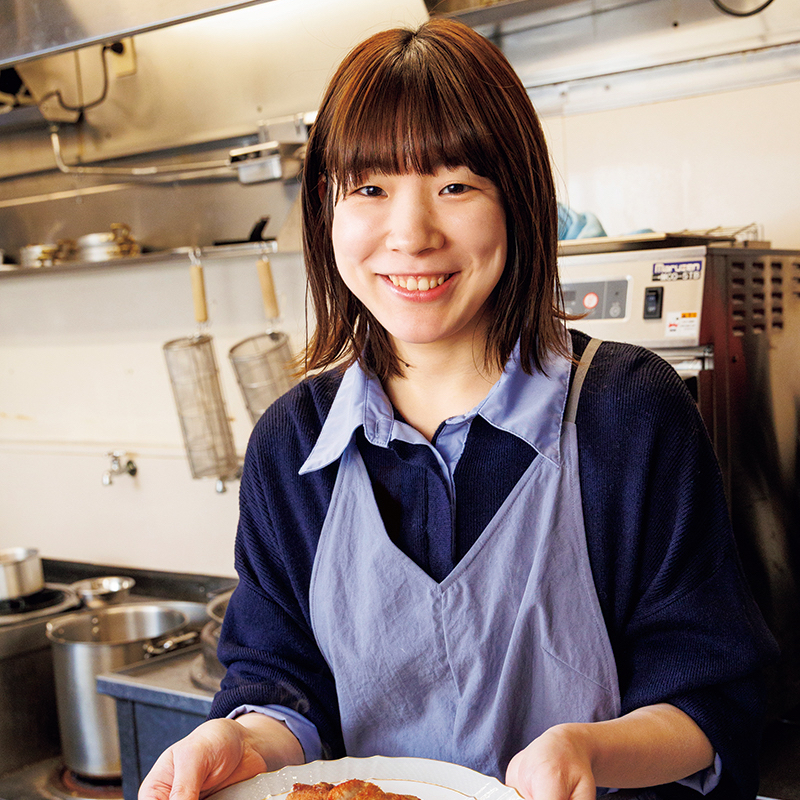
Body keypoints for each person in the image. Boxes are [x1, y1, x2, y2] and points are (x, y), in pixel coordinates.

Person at [139, 17, 777, 800]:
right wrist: (238, 739)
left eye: (456, 185)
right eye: (370, 188)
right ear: (326, 210)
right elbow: (287, 688)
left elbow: (715, 700)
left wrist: (588, 752)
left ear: (519, 201)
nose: (410, 233)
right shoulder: (292, 444)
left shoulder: (626, 412)